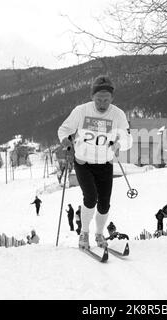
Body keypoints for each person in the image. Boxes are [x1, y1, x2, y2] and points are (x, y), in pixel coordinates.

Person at [58, 75, 133, 249]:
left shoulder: (118, 114)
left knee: (104, 203)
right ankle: (84, 233)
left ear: (112, 99)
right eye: (98, 99)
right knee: (90, 198)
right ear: (92, 97)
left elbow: (128, 139)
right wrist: (65, 139)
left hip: (105, 163)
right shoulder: (81, 111)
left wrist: (119, 144)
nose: (102, 103)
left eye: (106, 100)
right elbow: (64, 129)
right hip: (83, 162)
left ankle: (99, 234)